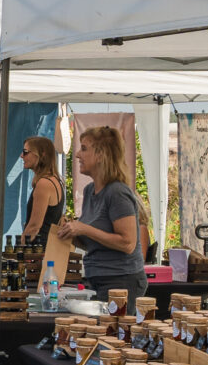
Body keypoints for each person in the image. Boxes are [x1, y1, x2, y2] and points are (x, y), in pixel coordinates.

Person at [60, 125, 146, 305]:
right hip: (96, 278)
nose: (77, 155)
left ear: (101, 155)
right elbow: (95, 242)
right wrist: (72, 234)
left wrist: (84, 228)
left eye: (84, 149)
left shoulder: (117, 193)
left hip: (120, 281)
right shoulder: (90, 190)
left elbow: (128, 243)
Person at [19, 135, 64, 240]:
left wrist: (21, 246)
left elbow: (34, 226)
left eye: (26, 152)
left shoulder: (44, 183)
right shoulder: (53, 180)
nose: (22, 156)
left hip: (39, 250)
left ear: (42, 155)